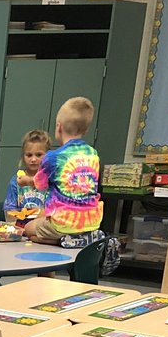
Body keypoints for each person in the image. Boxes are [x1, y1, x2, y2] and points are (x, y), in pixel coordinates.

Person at [22, 97, 103, 244]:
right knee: (42, 223)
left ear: (58, 127)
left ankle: (64, 241)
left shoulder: (53, 157)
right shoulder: (93, 154)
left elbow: (40, 184)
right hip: (90, 222)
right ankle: (76, 238)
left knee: (28, 229)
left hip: (63, 223)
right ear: (86, 129)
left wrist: (27, 180)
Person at [2, 129, 51, 223]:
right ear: (23, 157)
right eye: (29, 155)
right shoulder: (16, 181)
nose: (33, 159)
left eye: (38, 155)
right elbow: (9, 210)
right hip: (20, 228)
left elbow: (55, 212)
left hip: (42, 229)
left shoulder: (50, 180)